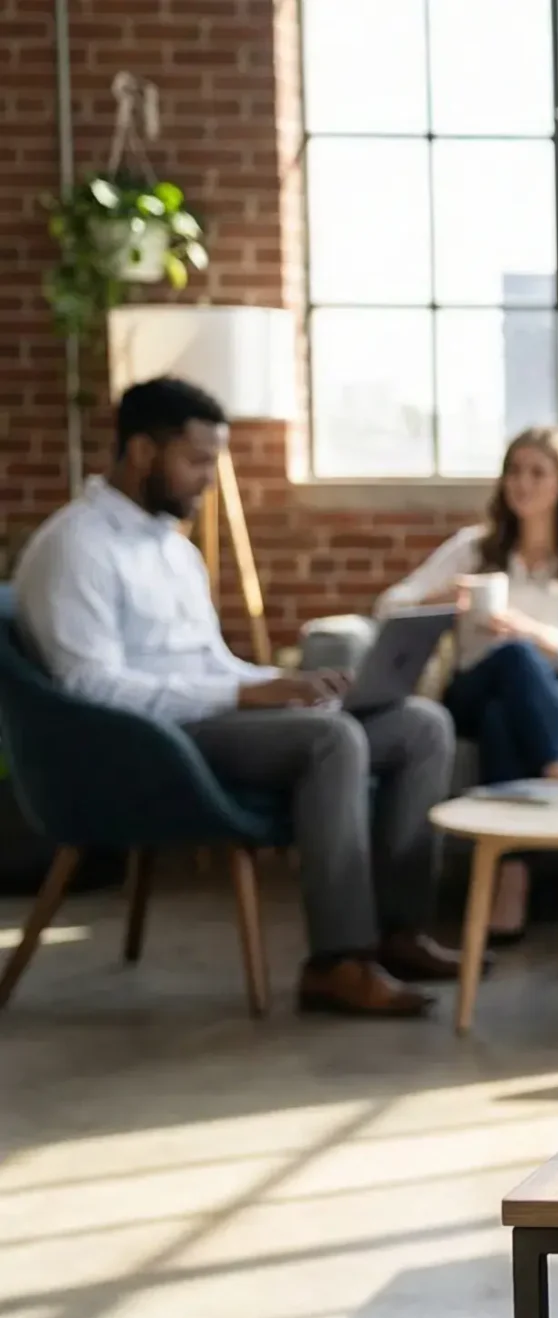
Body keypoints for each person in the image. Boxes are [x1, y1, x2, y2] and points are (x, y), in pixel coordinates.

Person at [15, 377, 471, 1016]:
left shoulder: (174, 550)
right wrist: (243, 693)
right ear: (144, 452)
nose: (208, 478)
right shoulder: (76, 547)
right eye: (197, 460)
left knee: (419, 724)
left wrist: (275, 686)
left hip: (207, 720)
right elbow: (91, 686)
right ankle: (338, 961)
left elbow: (210, 661)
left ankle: (398, 932)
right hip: (152, 744)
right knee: (331, 740)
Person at [377, 427, 558, 940]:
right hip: (476, 683)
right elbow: (387, 607)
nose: (523, 483)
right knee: (508, 662)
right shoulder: (474, 549)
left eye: (537, 472)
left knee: (505, 710)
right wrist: (441, 597)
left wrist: (533, 632)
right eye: (514, 471)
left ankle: (509, 885)